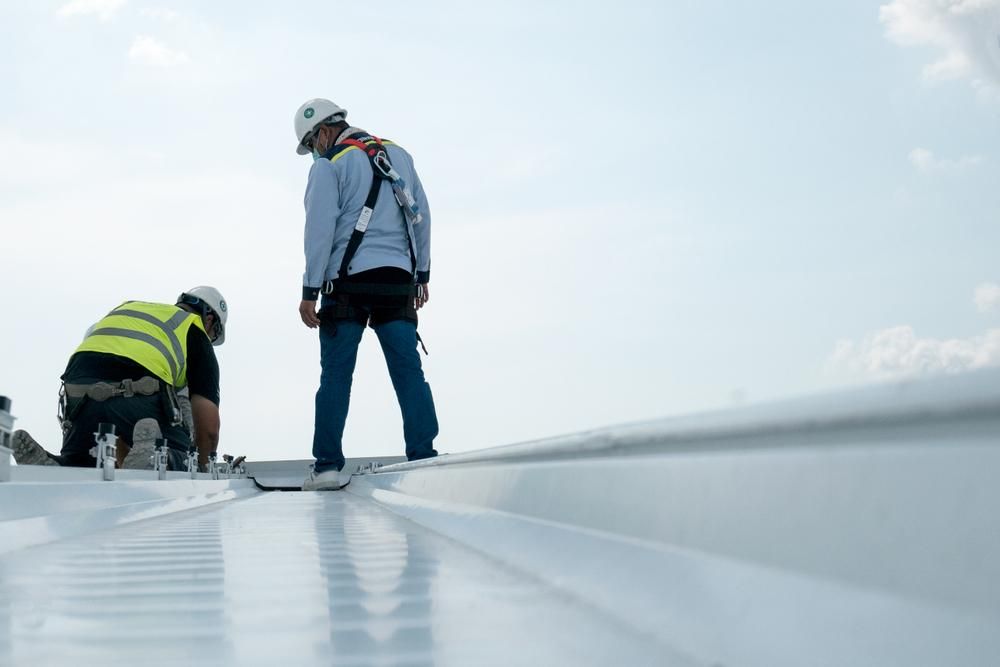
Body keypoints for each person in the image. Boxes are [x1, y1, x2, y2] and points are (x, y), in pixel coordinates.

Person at [293, 98, 438, 491]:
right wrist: (421, 273)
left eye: (311, 144)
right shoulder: (400, 154)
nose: (314, 153)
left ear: (323, 131)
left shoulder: (330, 165)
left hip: (347, 285)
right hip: (397, 280)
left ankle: (326, 467)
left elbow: (319, 231)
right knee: (409, 373)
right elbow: (421, 214)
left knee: (336, 376)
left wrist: (310, 289)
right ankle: (424, 458)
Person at [10, 287, 227, 471]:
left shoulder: (131, 308)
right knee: (181, 453)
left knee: (86, 461)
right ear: (209, 320)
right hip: (138, 395)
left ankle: (59, 467)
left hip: (78, 393)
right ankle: (157, 457)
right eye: (215, 334)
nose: (211, 339)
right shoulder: (193, 329)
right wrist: (201, 467)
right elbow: (208, 429)